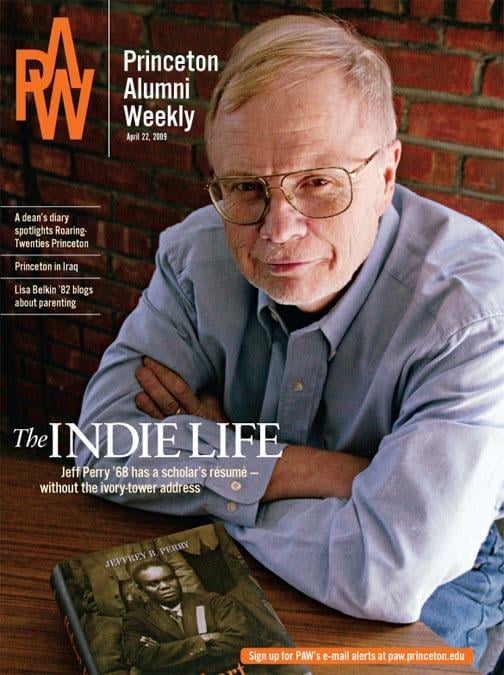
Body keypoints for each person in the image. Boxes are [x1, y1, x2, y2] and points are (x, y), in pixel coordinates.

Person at [77, 14, 504, 671]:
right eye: (248, 187)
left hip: (456, 566)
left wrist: (215, 467)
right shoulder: (196, 254)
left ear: (386, 176)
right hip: (300, 541)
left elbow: (389, 570)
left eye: (318, 182)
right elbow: (103, 443)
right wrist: (327, 475)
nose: (278, 231)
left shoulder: (474, 311)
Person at [122, 561, 250, 674]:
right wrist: (204, 639)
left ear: (177, 578)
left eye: (169, 578)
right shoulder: (136, 619)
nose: (165, 586)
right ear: (141, 589)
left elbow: (240, 638)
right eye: (153, 583)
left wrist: (165, 651)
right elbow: (140, 658)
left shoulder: (213, 601)